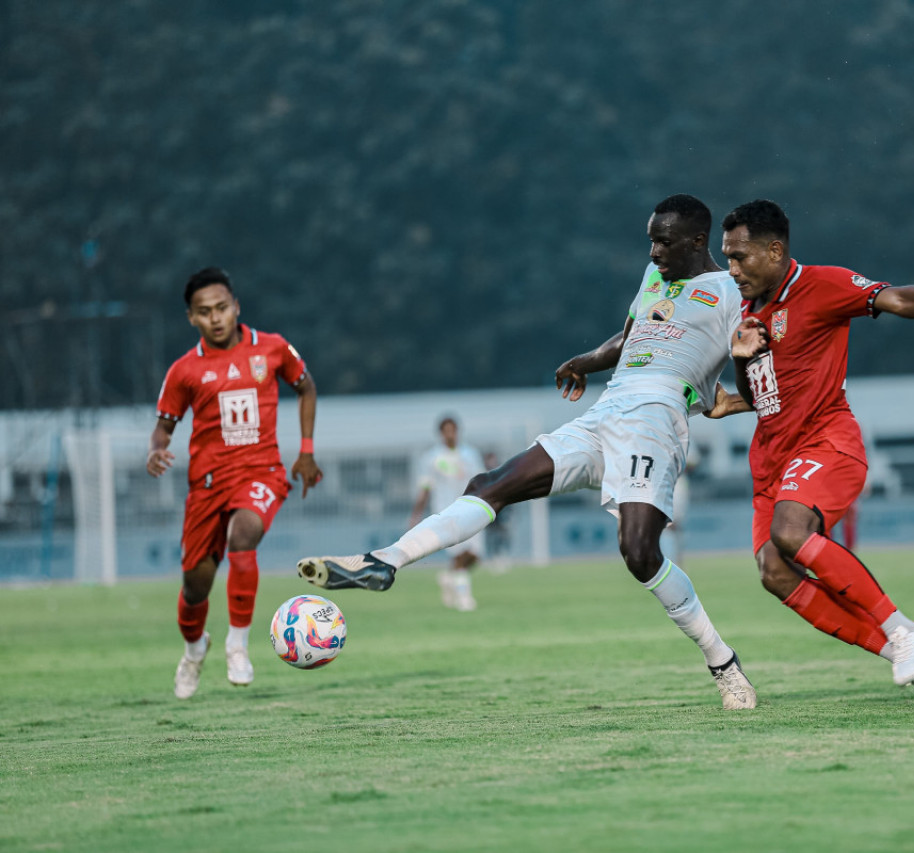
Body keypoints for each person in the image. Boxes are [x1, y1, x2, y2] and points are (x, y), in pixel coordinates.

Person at [297, 194, 757, 710]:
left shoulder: (731, 292)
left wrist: (737, 402)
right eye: (650, 240)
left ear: (698, 241)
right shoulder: (655, 278)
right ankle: (384, 561)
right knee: (490, 484)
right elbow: (631, 338)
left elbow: (758, 369)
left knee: (640, 553)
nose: (653, 252)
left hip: (656, 419)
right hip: (605, 414)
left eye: (664, 242)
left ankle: (722, 662)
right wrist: (585, 360)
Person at [717, 199, 914, 709]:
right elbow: (761, 396)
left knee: (791, 533)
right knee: (773, 573)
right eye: (727, 258)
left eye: (739, 257)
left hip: (826, 442)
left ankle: (902, 630)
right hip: (770, 459)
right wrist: (742, 361)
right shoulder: (749, 310)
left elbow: (900, 301)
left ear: (775, 250)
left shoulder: (822, 285)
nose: (732, 269)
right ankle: (902, 649)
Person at [147, 267, 323, 699]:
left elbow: (307, 389)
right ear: (192, 318)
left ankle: (237, 646)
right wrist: (156, 449)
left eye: (222, 308)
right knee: (195, 589)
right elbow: (164, 427)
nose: (216, 318)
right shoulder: (185, 370)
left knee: (245, 534)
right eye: (205, 312)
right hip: (207, 484)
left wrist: (305, 450)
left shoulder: (274, 348)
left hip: (260, 472)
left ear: (236, 306)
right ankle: (194, 649)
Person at [409, 415, 486, 611]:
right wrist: (416, 514)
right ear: (441, 433)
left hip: (472, 508)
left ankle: (448, 577)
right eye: (446, 431)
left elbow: (482, 481)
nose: (450, 434)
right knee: (459, 554)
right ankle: (464, 597)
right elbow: (425, 487)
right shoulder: (432, 458)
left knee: (475, 556)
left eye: (453, 430)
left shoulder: (470, 454)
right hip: (447, 511)